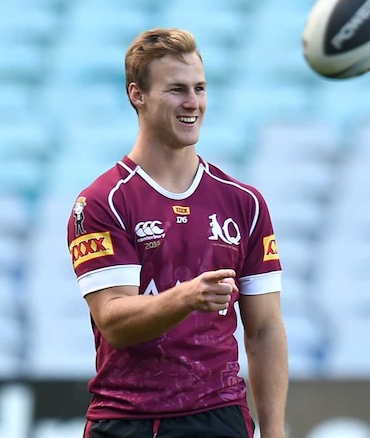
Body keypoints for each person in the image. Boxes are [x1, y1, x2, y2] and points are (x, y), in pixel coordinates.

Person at [66, 27, 288, 438]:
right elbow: (113, 320)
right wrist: (187, 297)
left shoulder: (245, 203)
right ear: (138, 95)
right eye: (176, 90)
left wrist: (273, 433)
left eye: (200, 88)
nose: (193, 103)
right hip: (128, 421)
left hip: (220, 417)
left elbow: (264, 329)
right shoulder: (102, 202)